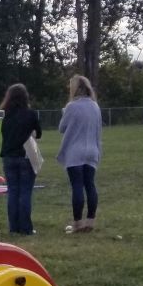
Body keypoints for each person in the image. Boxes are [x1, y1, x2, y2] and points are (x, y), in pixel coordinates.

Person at [56, 75, 102, 233]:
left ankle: (77, 223)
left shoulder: (71, 107)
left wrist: (65, 113)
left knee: (77, 185)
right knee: (90, 185)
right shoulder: (95, 106)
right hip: (92, 150)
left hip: (75, 151)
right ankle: (90, 220)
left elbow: (62, 128)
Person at [0, 83, 41, 235]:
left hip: (8, 156)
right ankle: (25, 227)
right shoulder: (30, 114)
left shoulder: (3, 115)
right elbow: (39, 133)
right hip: (25, 156)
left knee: (13, 192)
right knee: (25, 192)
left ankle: (13, 227)